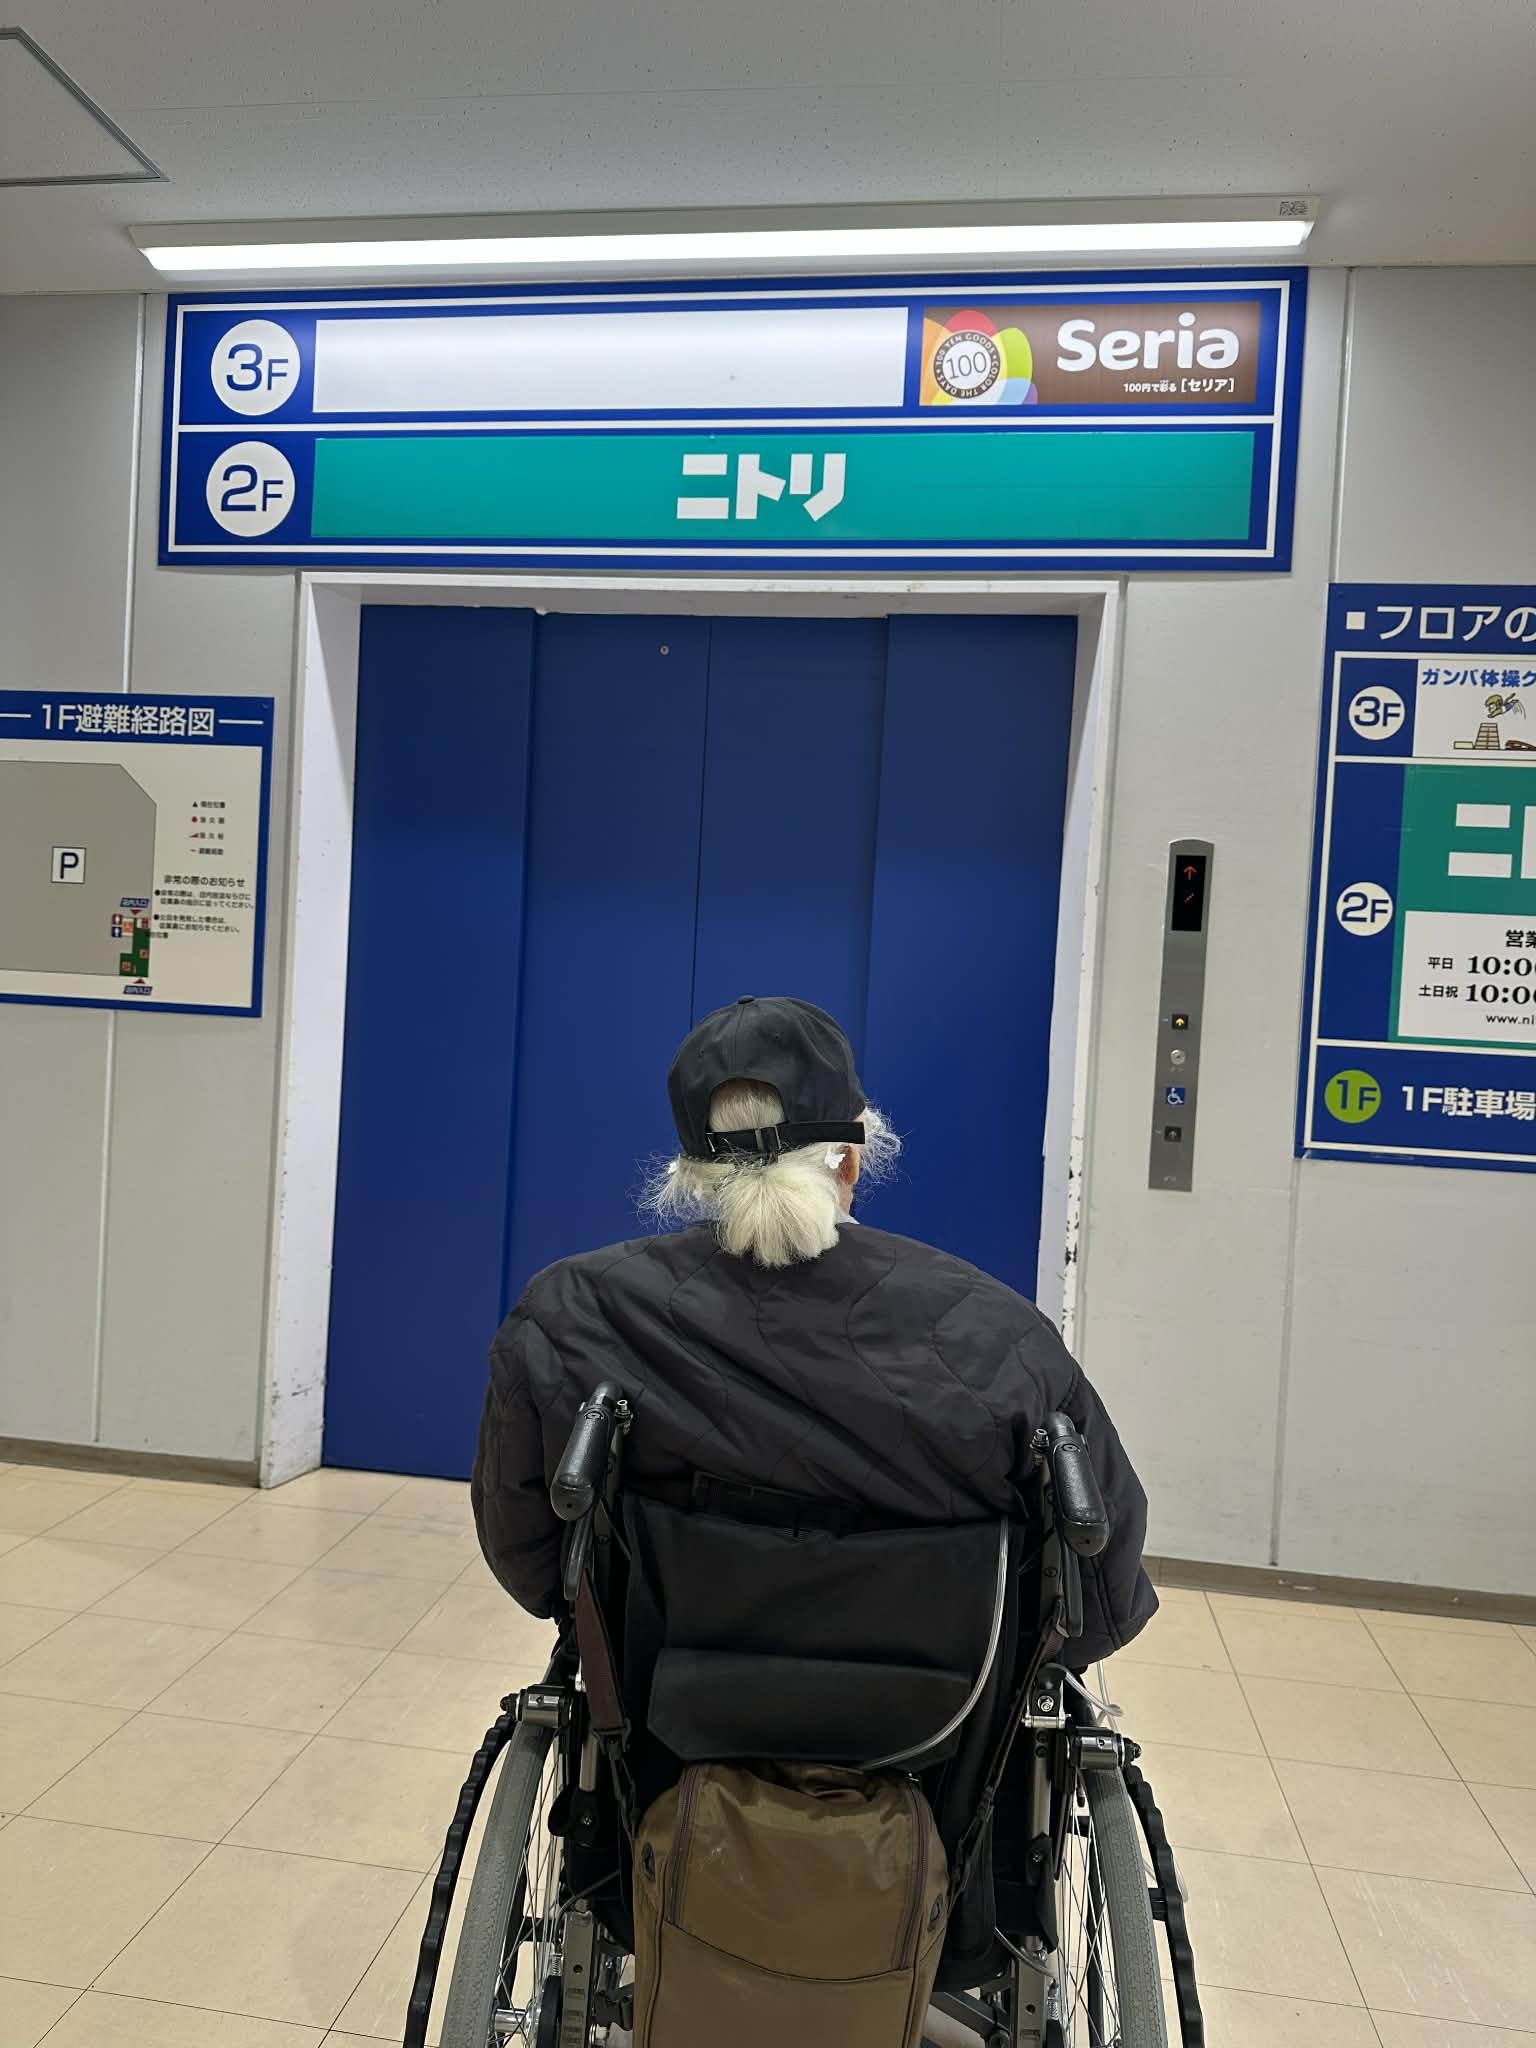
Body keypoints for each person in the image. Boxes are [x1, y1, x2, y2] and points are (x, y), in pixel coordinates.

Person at [472, 994, 1155, 1668]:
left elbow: (529, 1554)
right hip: (944, 1716)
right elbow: (1100, 1589)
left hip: (662, 1696)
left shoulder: (572, 1314)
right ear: (850, 1156)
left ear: (693, 1173)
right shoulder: (1002, 1336)